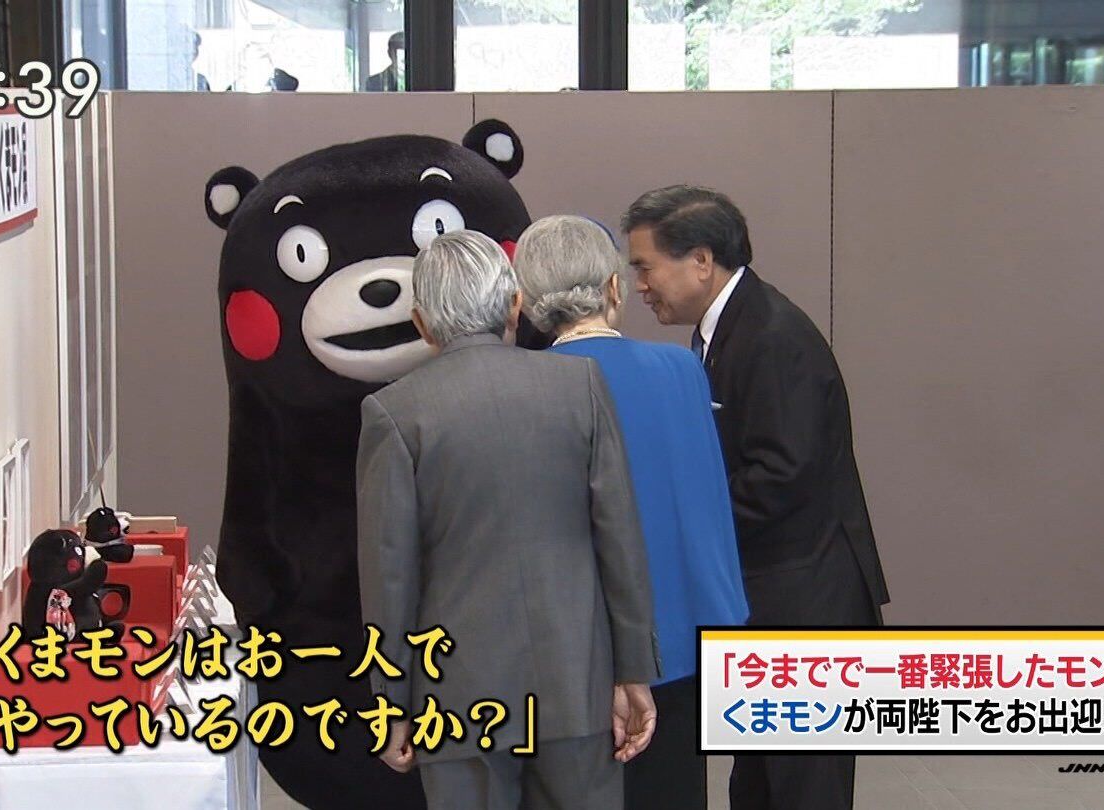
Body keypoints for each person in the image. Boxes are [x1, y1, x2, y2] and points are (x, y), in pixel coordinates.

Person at [355, 229, 661, 810]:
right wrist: (632, 670)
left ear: (422, 323)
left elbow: (388, 578)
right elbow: (620, 540)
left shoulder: (392, 413)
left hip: (456, 697)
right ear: (515, 304)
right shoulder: (580, 385)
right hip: (577, 679)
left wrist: (391, 703)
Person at [622, 186, 891, 810]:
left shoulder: (771, 336)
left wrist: (686, 530)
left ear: (701, 260)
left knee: (802, 789)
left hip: (803, 602)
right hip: (767, 596)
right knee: (759, 784)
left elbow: (782, 475)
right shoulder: (726, 330)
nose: (639, 286)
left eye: (645, 267)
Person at [511, 215, 750, 810]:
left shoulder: (525, 387)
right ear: (613, 287)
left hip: (576, 650)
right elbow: (705, 506)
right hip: (684, 634)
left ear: (527, 303)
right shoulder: (681, 370)